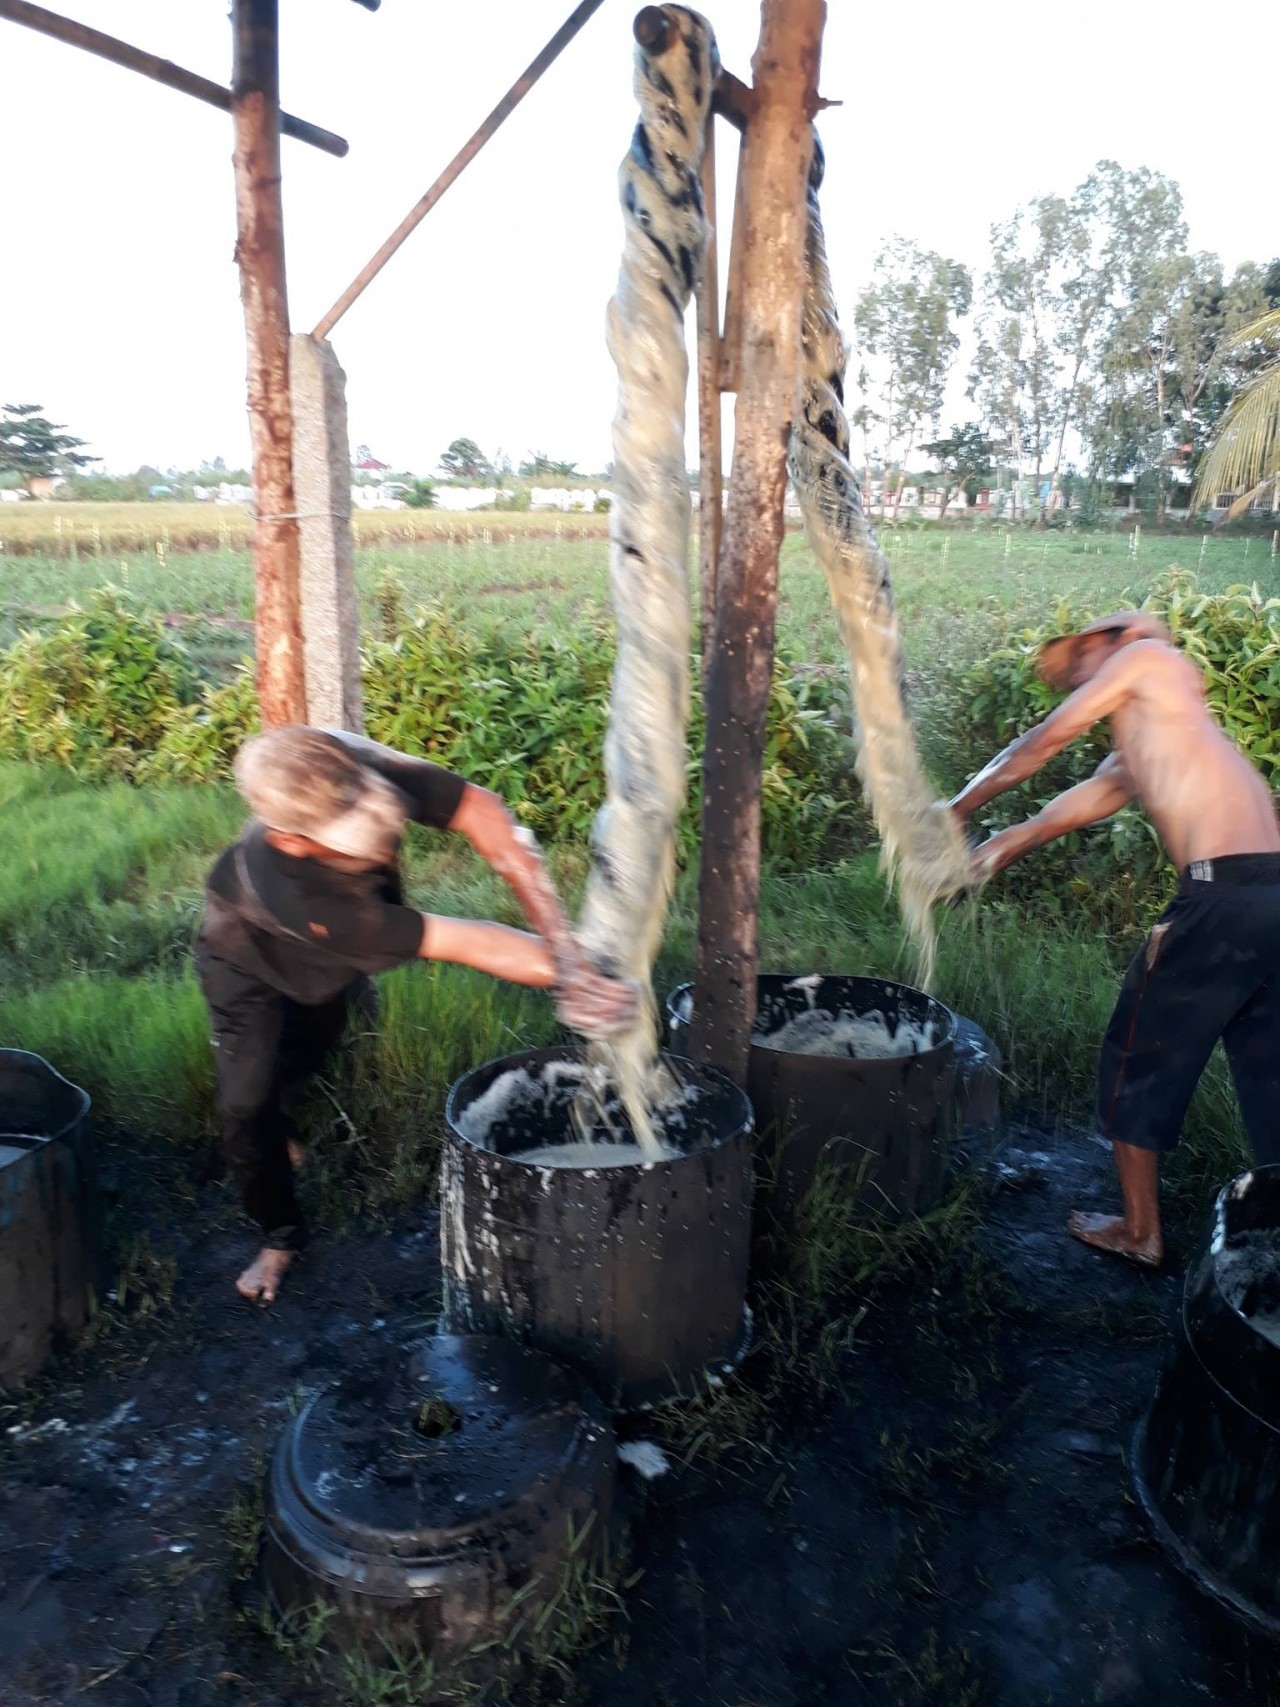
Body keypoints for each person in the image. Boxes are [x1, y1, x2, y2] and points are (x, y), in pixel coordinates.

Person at [196, 725, 638, 1303]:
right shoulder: (303, 898)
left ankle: (289, 1115)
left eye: (383, 821)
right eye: (358, 840)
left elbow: (483, 813)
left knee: (319, 1038)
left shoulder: (346, 762)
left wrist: (567, 946)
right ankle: (278, 1236)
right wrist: (574, 973)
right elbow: (472, 942)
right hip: (246, 962)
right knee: (245, 1103)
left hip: (339, 952)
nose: (385, 841)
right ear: (294, 841)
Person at [950, 610, 1280, 1267]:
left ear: (1108, 641)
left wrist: (951, 811)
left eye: (1078, 668)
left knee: (1137, 1050)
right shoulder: (1162, 732)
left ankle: (1140, 1232)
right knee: (1270, 1071)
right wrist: (985, 851)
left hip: (1220, 899)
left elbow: (1043, 741)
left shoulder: (1145, 658)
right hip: (1270, 896)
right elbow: (1067, 808)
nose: (1077, 684)